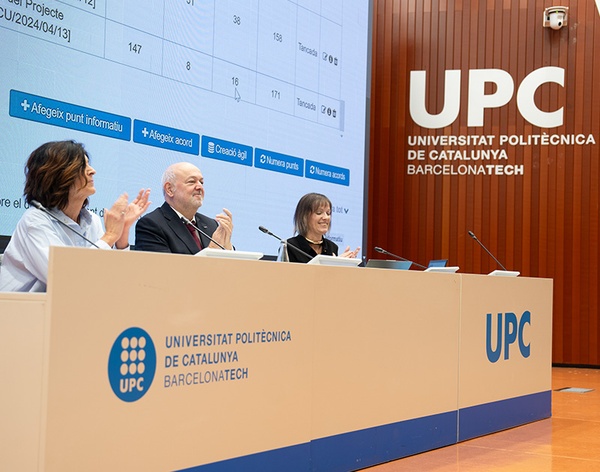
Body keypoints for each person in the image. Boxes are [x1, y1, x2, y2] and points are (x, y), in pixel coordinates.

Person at [0, 140, 151, 292]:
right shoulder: (35, 221)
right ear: (58, 175)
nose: (92, 171)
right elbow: (65, 279)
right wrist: (110, 236)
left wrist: (122, 234)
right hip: (21, 311)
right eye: (82, 166)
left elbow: (112, 279)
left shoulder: (91, 220)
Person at [134, 162, 233, 254]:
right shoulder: (151, 225)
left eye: (201, 182)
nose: (200, 187)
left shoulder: (212, 225)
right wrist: (213, 249)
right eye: (191, 182)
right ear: (170, 189)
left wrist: (228, 247)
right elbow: (162, 270)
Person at [286, 192, 360, 263]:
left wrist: (344, 264)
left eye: (328, 213)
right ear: (304, 216)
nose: (326, 217)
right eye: (319, 213)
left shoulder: (332, 247)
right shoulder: (290, 246)